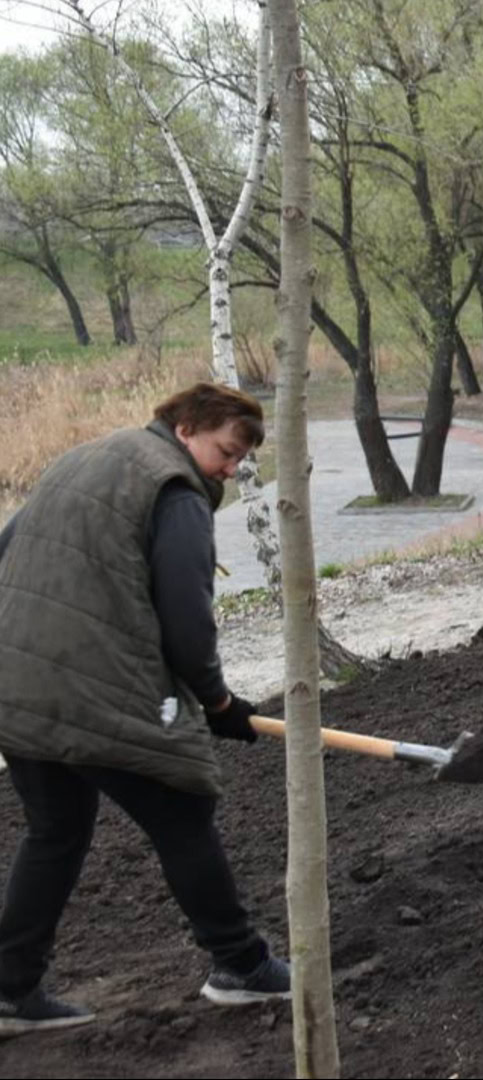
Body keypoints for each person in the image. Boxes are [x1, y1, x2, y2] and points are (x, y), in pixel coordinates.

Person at [0, 384, 293, 1037]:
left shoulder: (83, 458)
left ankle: (10, 988)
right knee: (182, 812)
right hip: (91, 690)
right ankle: (240, 965)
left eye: (239, 461)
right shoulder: (175, 490)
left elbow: (7, 549)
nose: (229, 469)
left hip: (17, 683)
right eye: (225, 452)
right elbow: (187, 620)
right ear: (185, 428)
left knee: (55, 829)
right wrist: (217, 701)